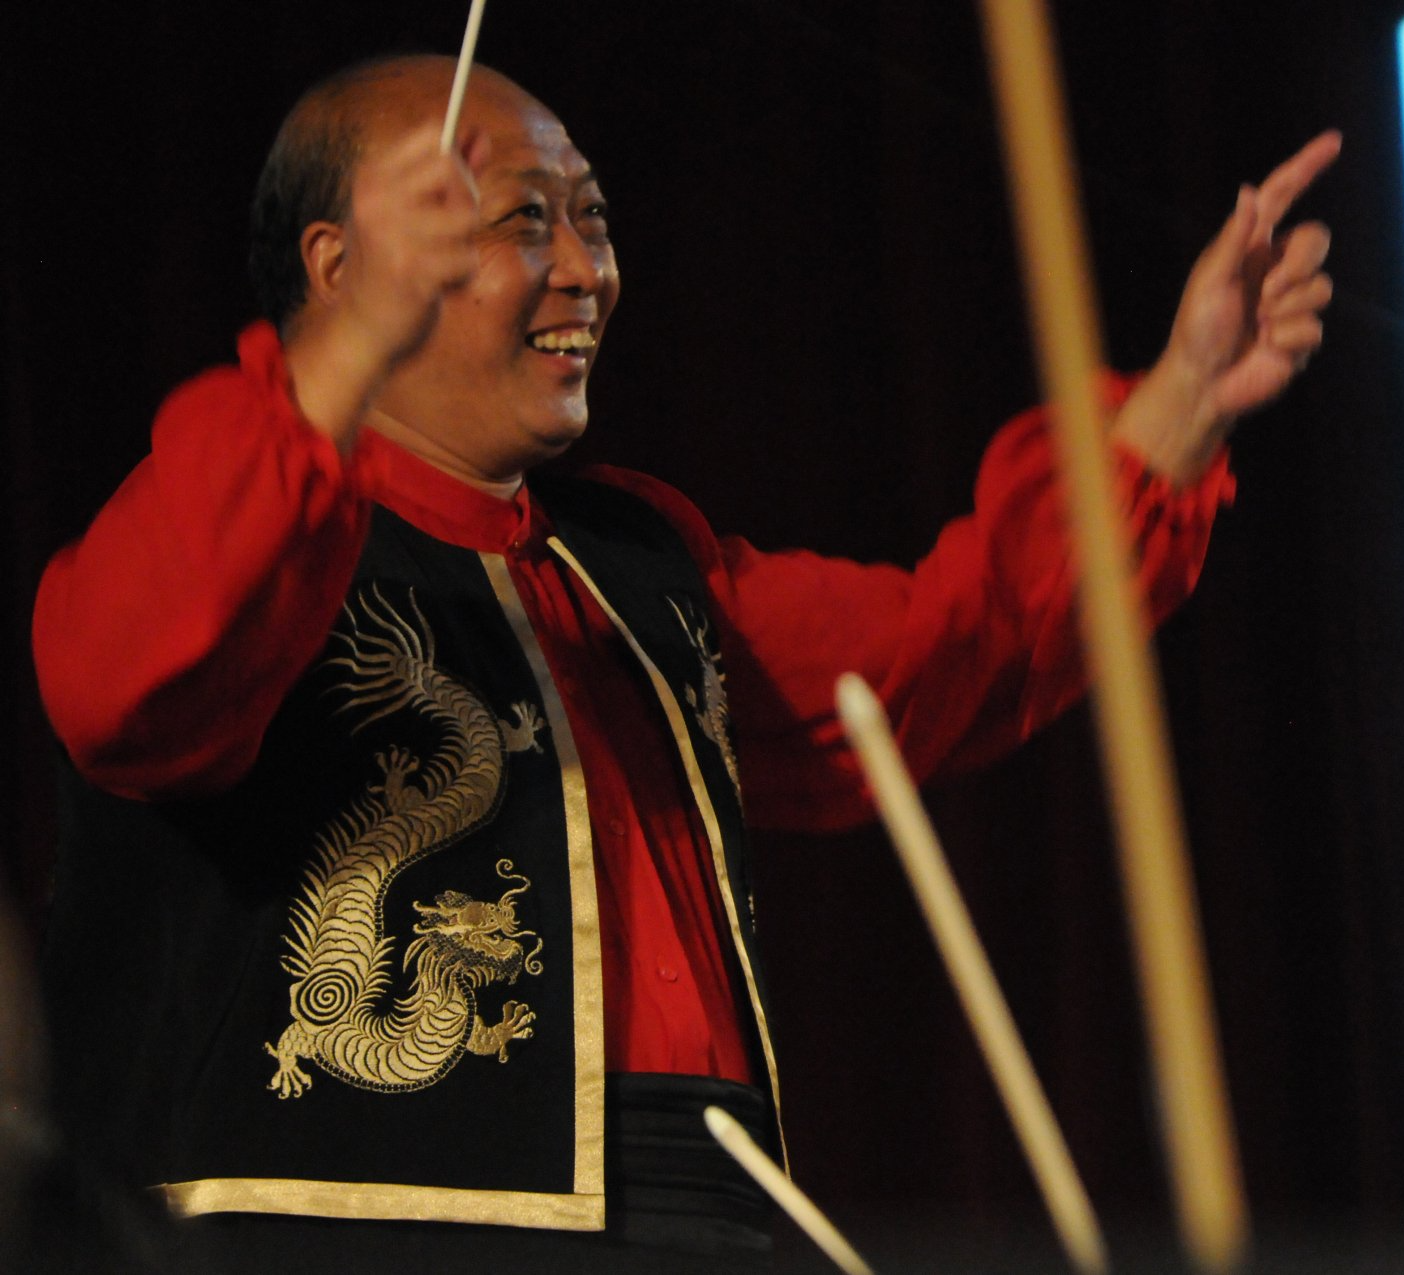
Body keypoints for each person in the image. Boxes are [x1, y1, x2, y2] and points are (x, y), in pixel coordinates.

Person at [30, 53, 1336, 1274]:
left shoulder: (642, 567)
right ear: (340, 262)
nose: (584, 269)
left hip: (697, 1214)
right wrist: (338, 359)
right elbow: (118, 682)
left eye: (592, 218)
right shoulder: (240, 539)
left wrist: (1183, 399)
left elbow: (943, 648)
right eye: (520, 219)